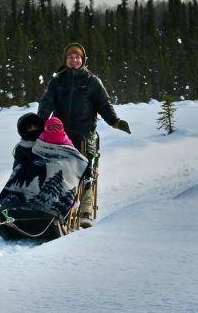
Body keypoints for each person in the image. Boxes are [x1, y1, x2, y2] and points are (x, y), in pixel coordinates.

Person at [37, 43, 130, 228]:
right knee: (53, 167)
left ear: (83, 60)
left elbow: (104, 105)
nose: (74, 60)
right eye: (70, 57)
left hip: (84, 134)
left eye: (77, 57)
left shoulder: (92, 81)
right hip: (59, 134)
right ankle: (49, 204)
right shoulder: (57, 81)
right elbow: (46, 103)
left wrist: (115, 121)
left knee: (86, 171)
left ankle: (85, 211)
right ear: (65, 60)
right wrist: (39, 123)